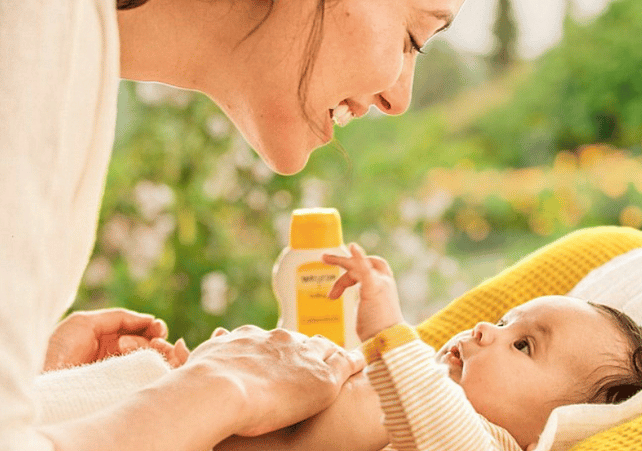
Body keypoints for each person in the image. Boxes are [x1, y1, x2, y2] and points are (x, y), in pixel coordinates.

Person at [0, 0, 465, 449]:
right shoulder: (37, 27)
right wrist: (220, 388)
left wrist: (45, 388)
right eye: (412, 39)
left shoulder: (63, 44)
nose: (399, 98)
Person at [214, 243, 642, 451]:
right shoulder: (423, 384)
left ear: (550, 432)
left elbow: (434, 426)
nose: (483, 329)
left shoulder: (485, 442)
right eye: (503, 321)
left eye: (522, 346)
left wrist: (389, 332)